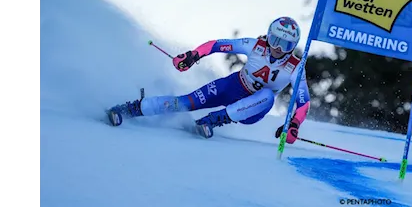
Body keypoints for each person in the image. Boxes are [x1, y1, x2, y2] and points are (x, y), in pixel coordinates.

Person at [107, 16, 311, 144]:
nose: (277, 48)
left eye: (285, 44)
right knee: (186, 102)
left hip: (253, 108)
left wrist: (294, 125)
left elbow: (304, 102)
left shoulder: (295, 67)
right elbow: (217, 45)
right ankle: (132, 109)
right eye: (274, 40)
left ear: (293, 46)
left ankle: (213, 120)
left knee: (267, 96)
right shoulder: (254, 45)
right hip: (232, 86)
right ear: (268, 36)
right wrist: (192, 55)